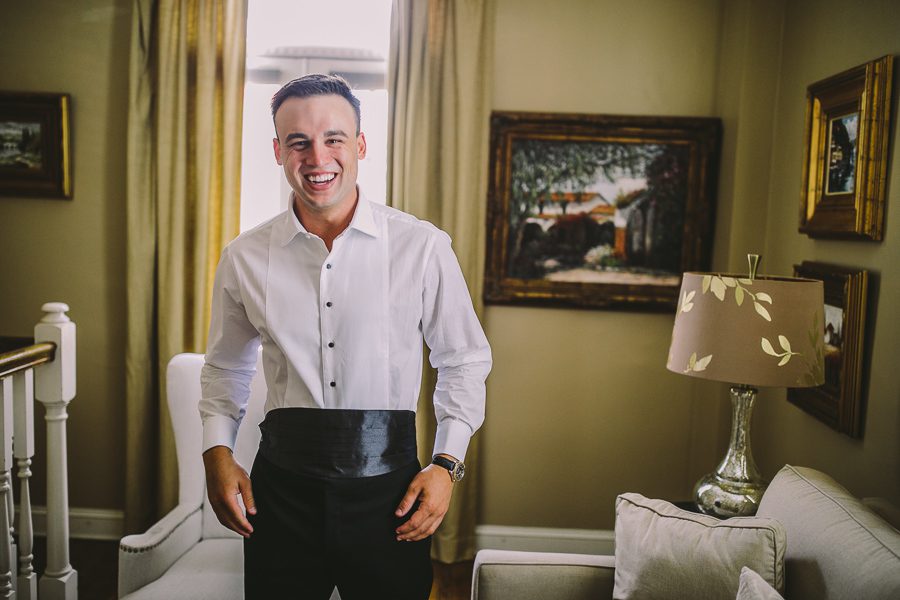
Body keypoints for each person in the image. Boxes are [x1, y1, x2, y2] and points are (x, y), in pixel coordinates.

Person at [199, 74, 491, 600]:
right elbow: (226, 367)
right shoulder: (244, 257)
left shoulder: (422, 247)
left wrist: (447, 464)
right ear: (278, 151)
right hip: (280, 494)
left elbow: (463, 360)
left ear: (360, 145)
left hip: (392, 496)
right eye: (298, 142)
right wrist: (216, 452)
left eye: (333, 138)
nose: (317, 158)